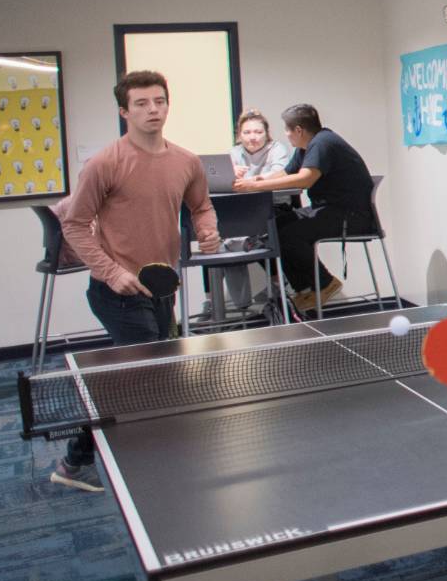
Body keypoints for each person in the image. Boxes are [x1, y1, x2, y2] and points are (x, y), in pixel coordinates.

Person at [51, 70, 219, 491]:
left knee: (139, 376)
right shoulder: (104, 164)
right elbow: (74, 225)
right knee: (146, 374)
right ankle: (147, 462)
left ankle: (75, 461)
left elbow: (201, 206)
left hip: (162, 288)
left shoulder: (186, 161)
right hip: (116, 291)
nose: (152, 110)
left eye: (159, 101)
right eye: (141, 103)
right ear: (124, 112)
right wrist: (112, 272)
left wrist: (207, 231)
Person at [233, 104, 375, 314]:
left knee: (290, 233)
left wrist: (255, 187)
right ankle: (304, 289)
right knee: (274, 229)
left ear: (298, 130)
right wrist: (257, 179)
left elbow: (305, 179)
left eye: (287, 129)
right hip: (329, 210)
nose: (286, 134)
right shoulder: (307, 146)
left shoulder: (323, 143)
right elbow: (288, 172)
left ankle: (325, 284)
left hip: (351, 216)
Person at [217, 109, 289, 316]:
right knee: (219, 240)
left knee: (249, 236)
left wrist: (249, 181)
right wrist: (230, 176)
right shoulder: (233, 153)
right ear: (239, 135)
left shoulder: (277, 149)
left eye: (258, 132)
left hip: (273, 208)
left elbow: (280, 173)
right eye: (247, 132)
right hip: (244, 209)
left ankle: (278, 286)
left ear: (266, 133)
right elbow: (224, 183)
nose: (253, 137)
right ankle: (238, 304)